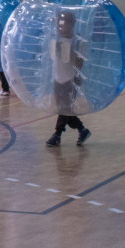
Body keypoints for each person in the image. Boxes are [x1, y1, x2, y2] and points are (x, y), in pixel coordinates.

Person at [46, 8, 91, 147]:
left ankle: (57, 135)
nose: (59, 27)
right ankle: (82, 130)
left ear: (70, 24)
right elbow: (51, 58)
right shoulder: (55, 39)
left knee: (64, 108)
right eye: (58, 24)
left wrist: (67, 51)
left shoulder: (78, 42)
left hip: (71, 79)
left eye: (62, 24)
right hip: (57, 78)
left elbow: (80, 63)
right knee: (64, 109)